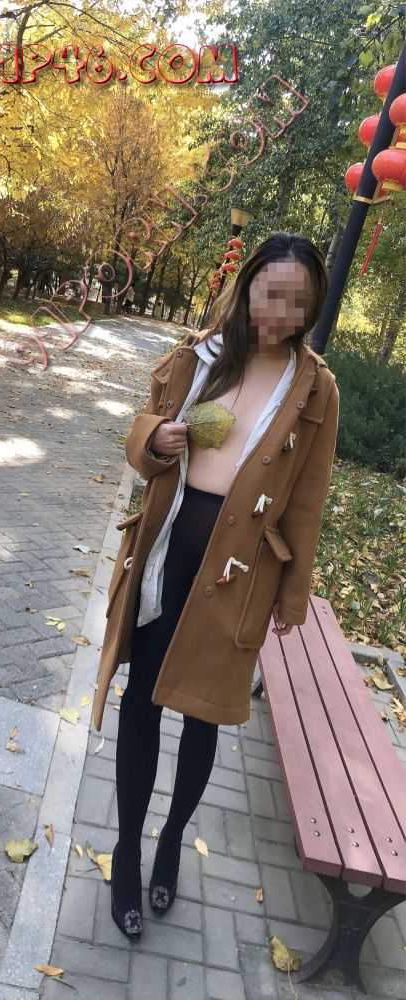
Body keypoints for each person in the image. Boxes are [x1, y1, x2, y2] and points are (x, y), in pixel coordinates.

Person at [96, 231, 340, 942]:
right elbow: (141, 441)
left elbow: (307, 500)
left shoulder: (314, 388)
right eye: (271, 296)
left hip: (239, 575)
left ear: (311, 308)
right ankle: (127, 850)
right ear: (248, 287)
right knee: (141, 704)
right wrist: (155, 439)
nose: (281, 315)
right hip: (167, 553)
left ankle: (173, 838)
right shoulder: (196, 358)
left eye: (298, 303)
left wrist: (292, 595)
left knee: (203, 716)